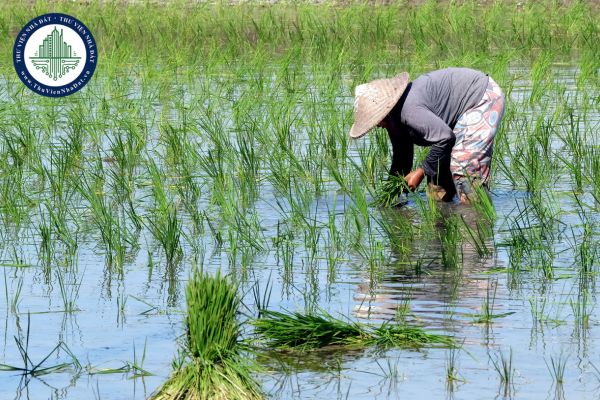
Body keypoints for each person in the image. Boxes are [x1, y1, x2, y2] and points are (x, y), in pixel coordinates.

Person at [349, 67, 505, 203]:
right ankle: (443, 224)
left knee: (463, 167)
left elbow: (445, 137)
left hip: (481, 97)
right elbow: (401, 159)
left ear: (386, 111)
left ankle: (476, 220)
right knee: (436, 179)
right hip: (458, 116)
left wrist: (421, 172)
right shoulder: (394, 120)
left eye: (376, 119)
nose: (377, 125)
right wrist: (390, 195)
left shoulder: (409, 110)